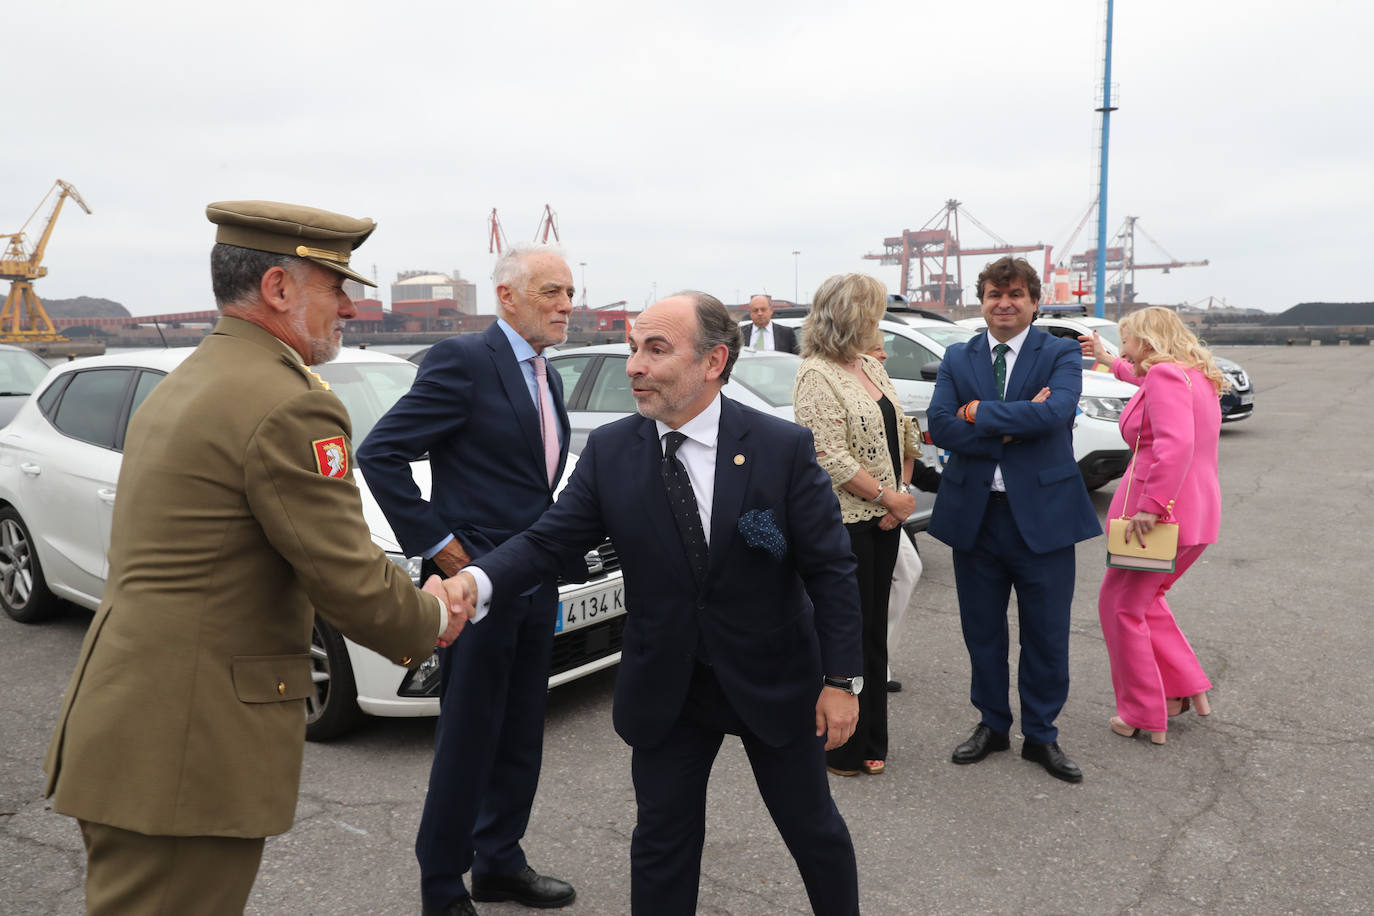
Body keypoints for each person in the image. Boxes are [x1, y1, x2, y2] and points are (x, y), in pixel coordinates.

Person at [42, 200, 468, 915]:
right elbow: (347, 577)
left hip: (136, 724)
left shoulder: (191, 379)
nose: (353, 310)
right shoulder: (287, 402)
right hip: (187, 745)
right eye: (337, 289)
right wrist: (432, 615)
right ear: (278, 289)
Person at [452, 292, 864, 916]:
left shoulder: (781, 447)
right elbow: (546, 541)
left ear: (713, 361)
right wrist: (473, 583)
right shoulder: (613, 451)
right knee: (662, 844)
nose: (634, 366)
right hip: (668, 685)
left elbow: (831, 570)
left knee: (814, 831)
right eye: (633, 349)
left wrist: (840, 680)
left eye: (656, 349)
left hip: (773, 677)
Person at [356, 243, 582, 916]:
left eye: (570, 292)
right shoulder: (463, 361)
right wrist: (446, 550)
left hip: (532, 582)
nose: (567, 305)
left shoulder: (549, 374)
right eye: (551, 292)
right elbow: (381, 453)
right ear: (506, 296)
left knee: (520, 733)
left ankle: (500, 862)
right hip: (473, 591)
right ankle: (441, 886)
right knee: (468, 739)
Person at [926, 256, 1101, 784]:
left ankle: (1042, 735)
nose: (1005, 303)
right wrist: (1015, 421)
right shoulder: (959, 356)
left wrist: (977, 412)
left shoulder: (1061, 353)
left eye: (1016, 294)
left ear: (1033, 301)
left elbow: (1056, 414)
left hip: (1043, 519)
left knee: (1046, 634)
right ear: (981, 301)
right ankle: (993, 724)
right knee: (983, 632)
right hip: (975, 518)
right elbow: (938, 427)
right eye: (995, 294)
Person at [793, 274, 923, 776]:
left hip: (887, 519)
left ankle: (871, 739)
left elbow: (903, 433)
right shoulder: (816, 374)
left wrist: (902, 495)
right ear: (852, 315)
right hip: (848, 523)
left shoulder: (869, 364)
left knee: (873, 633)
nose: (880, 320)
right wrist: (886, 496)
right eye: (874, 310)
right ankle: (840, 746)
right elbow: (827, 454)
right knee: (846, 632)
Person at [1083, 307, 1222, 744]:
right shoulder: (1193, 375)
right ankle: (1184, 687)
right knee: (1147, 600)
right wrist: (1108, 360)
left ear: (1144, 340)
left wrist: (1151, 506)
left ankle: (1143, 711)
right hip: (1197, 514)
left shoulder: (1164, 377)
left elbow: (1175, 446)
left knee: (1119, 607)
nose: (1123, 347)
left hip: (1159, 516)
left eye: (1125, 339)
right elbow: (1139, 379)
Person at [864, 335, 941, 694]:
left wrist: (903, 497)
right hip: (858, 509)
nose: (884, 354)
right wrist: (888, 498)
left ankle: (878, 661)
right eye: (876, 347)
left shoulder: (884, 387)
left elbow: (908, 450)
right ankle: (863, 665)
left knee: (907, 571)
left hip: (892, 506)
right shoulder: (837, 389)